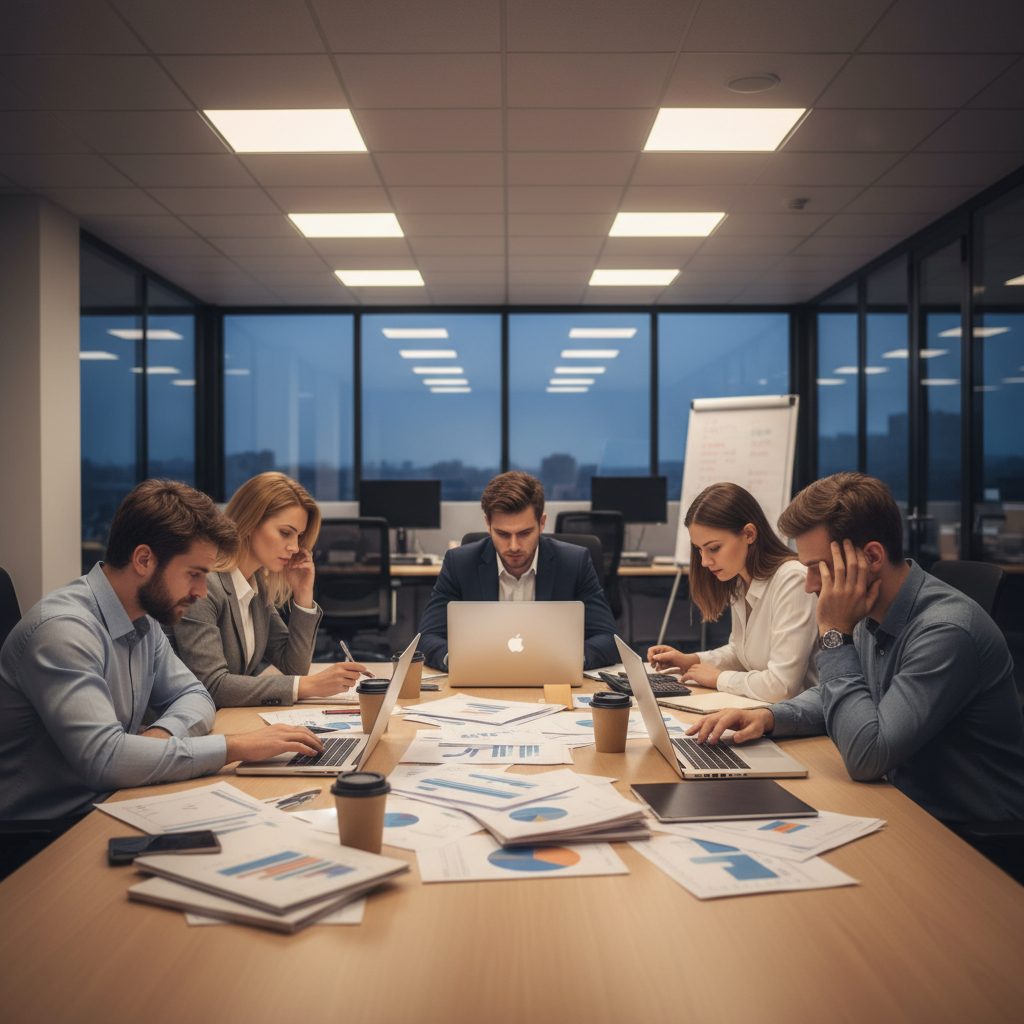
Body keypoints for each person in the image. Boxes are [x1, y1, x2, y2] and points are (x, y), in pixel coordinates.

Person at [688, 472, 1024, 825]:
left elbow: (867, 756)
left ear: (872, 557)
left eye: (818, 568)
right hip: (903, 802)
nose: (810, 586)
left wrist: (834, 633)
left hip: (971, 836)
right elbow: (840, 692)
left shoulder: (946, 631)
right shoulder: (869, 609)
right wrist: (770, 717)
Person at [0, 479, 324, 821]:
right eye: (194, 574)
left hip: (115, 799)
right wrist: (236, 746)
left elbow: (196, 695)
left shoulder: (143, 620)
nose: (202, 591)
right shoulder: (63, 631)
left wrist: (158, 739)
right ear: (144, 559)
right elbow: (105, 760)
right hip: (46, 832)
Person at [173, 472, 365, 707]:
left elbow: (293, 666)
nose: (295, 547)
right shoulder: (205, 587)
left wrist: (303, 595)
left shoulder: (256, 585)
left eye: (299, 536)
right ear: (250, 522)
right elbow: (211, 686)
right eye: (285, 532)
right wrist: (309, 686)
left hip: (227, 718)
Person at [418, 471, 617, 671]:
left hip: (552, 679)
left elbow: (608, 639)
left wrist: (568, 661)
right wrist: (460, 662)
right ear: (488, 524)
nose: (513, 546)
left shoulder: (574, 563)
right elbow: (426, 638)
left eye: (524, 533)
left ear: (541, 523)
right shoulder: (459, 564)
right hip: (480, 679)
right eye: (503, 534)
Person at [646, 482, 818, 702]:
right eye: (699, 549)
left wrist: (719, 679)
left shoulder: (793, 580)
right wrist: (691, 660)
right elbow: (741, 653)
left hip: (804, 725)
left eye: (714, 548)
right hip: (766, 712)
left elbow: (782, 687)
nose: (705, 561)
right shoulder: (740, 581)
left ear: (749, 534)